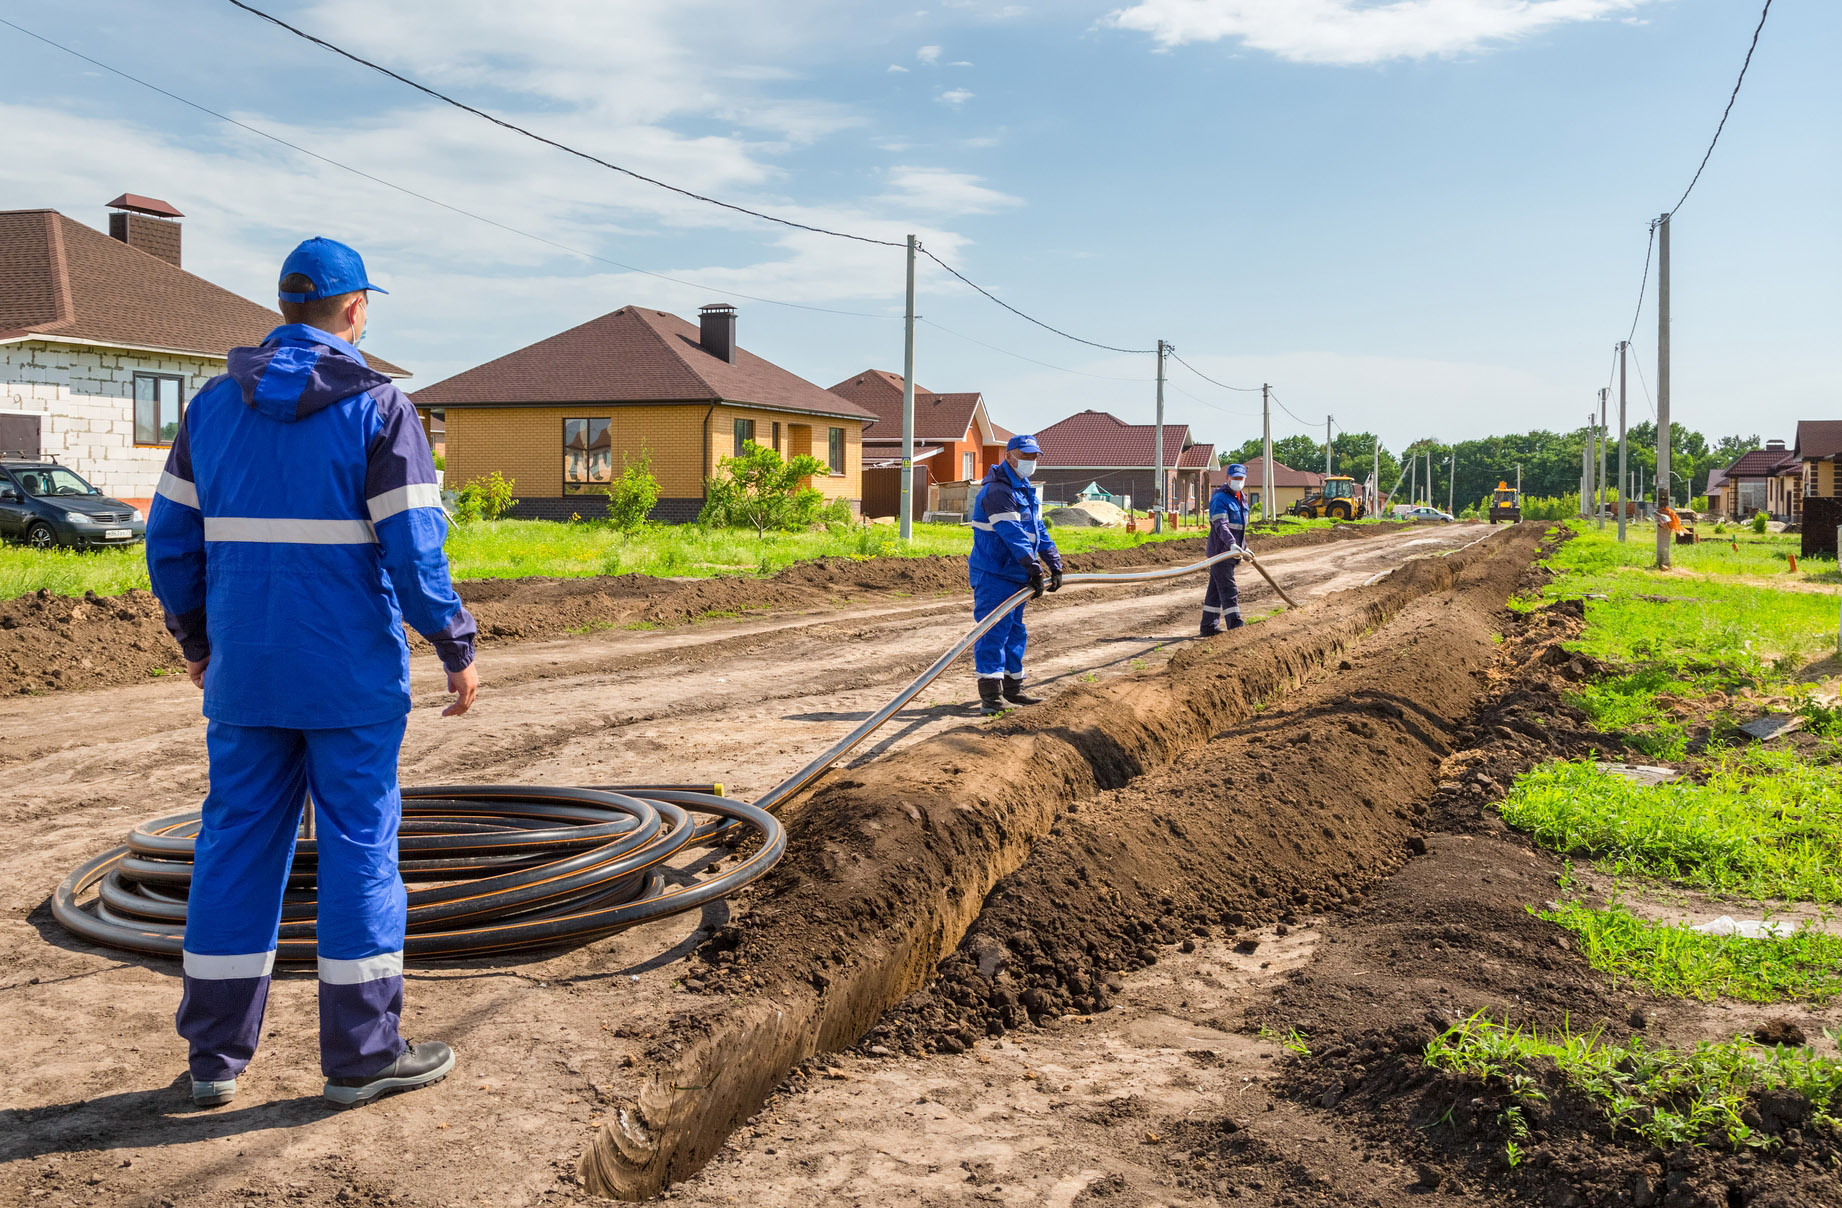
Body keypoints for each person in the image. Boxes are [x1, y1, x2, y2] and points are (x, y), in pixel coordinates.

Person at [145, 237, 478, 1110]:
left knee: (235, 849)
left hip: (247, 675)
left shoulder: (213, 407)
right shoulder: (380, 410)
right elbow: (414, 548)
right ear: (355, 309)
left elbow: (169, 544)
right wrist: (454, 642)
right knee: (359, 851)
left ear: (286, 307)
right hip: (349, 680)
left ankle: (213, 1061)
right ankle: (362, 1058)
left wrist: (196, 642)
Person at [968, 434, 1063, 715]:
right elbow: (1013, 534)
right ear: (1010, 456)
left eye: (1034, 457)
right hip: (994, 573)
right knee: (992, 632)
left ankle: (1013, 688)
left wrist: (1054, 563)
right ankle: (990, 696)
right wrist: (1033, 567)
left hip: (1015, 574)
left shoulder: (1023, 489)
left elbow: (1038, 531)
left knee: (1015, 631)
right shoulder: (998, 492)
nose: (1031, 461)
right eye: (1026, 456)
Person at [1202, 463, 1253, 635]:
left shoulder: (1241, 499)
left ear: (1244, 479)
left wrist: (1244, 548)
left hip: (1233, 552)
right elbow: (1221, 525)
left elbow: (1240, 528)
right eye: (1235, 478)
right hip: (1221, 552)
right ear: (1227, 478)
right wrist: (1231, 544)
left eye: (1240, 478)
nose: (1238, 481)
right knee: (1228, 589)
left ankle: (1208, 627)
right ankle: (1235, 625)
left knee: (1215, 591)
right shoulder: (1220, 499)